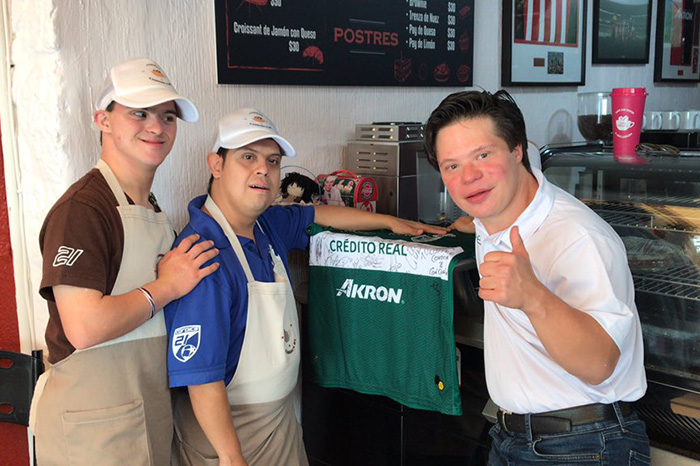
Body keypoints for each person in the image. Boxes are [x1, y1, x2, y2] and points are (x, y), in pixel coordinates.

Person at [165, 108, 446, 466]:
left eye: (272, 161)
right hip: (228, 436)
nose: (263, 170)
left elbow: (318, 215)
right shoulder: (203, 254)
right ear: (216, 165)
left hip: (279, 423)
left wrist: (390, 222)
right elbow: (202, 379)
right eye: (247, 157)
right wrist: (231, 457)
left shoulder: (266, 224)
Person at [424, 90, 650, 465]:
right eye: (452, 166)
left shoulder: (577, 236)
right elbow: (476, 213)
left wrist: (533, 296)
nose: (469, 177)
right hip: (512, 437)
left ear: (517, 150)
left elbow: (600, 364)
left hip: (583, 445)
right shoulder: (494, 211)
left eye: (483, 155)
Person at [30, 58, 219, 466]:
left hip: (144, 418)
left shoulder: (150, 207)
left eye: (167, 116)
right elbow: (84, 327)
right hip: (92, 431)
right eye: (140, 113)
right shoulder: (82, 210)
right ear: (103, 119)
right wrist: (167, 286)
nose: (157, 128)